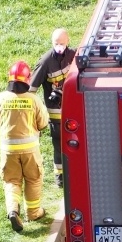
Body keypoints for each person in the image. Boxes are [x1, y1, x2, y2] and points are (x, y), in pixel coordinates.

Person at [0, 61, 49, 232]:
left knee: (11, 181)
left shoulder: (1, 98)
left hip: (8, 151)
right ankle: (33, 212)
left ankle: (13, 210)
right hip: (30, 150)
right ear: (27, 79)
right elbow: (43, 123)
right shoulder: (33, 99)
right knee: (33, 179)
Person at [30, 28, 76, 188]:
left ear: (68, 41)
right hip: (55, 113)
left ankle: (76, 172)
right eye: (56, 43)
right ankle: (60, 177)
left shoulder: (74, 56)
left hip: (74, 109)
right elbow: (31, 90)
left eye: (62, 43)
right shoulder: (45, 62)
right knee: (59, 144)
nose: (59, 46)